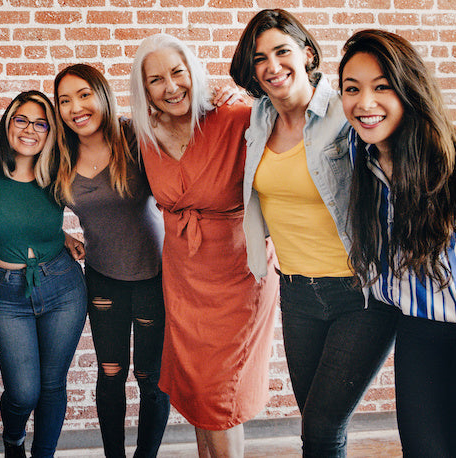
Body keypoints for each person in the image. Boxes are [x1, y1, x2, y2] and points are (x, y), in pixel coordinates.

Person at [229, 10, 400, 457]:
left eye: (282, 51)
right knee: (318, 425)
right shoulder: (258, 122)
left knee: (321, 429)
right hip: (298, 292)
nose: (272, 65)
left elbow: (411, 140)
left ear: (306, 53)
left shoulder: (345, 112)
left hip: (360, 294)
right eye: (260, 57)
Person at [339, 29, 456, 457]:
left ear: (408, 90)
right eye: (351, 89)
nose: (364, 103)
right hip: (419, 331)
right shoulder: (362, 160)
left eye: (381, 87)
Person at [128, 34, 280, 457]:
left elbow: (295, 121)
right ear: (144, 90)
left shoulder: (236, 118)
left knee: (220, 398)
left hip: (237, 276)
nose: (171, 86)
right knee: (198, 394)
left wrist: (249, 93)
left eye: (178, 72)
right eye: (156, 79)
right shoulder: (144, 134)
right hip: (184, 280)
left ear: (193, 72)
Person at [52, 63, 170, 458]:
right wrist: (62, 236)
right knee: (111, 374)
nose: (75, 107)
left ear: (101, 94)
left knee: (151, 379)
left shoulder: (135, 136)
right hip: (102, 279)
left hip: (155, 276)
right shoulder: (59, 155)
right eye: (65, 100)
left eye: (84, 94)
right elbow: (28, 206)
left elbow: (187, 136)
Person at [0, 90, 87, 458]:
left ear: (50, 131)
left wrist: (66, 236)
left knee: (53, 385)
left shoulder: (58, 171)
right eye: (21, 119)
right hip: (9, 292)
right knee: (23, 391)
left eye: (40, 123)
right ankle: (13, 443)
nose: (30, 129)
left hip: (62, 284)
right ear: (9, 123)